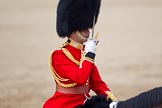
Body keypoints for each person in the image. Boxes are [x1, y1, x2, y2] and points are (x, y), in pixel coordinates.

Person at [43, 0, 118, 108]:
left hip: (84, 102)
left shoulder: (84, 53)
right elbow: (80, 78)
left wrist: (113, 101)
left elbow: (98, 84)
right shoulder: (58, 55)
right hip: (64, 105)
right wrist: (89, 54)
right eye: (83, 27)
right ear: (72, 30)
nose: (88, 30)